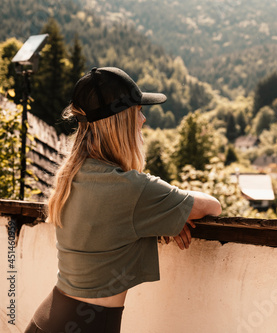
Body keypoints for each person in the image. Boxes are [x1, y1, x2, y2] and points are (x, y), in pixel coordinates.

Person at [25, 67, 222, 333]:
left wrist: (164, 217)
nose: (143, 120)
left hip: (48, 319)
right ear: (121, 121)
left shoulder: (72, 175)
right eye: (137, 111)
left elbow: (113, 224)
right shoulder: (131, 189)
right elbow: (212, 206)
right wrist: (171, 210)